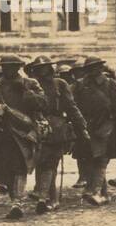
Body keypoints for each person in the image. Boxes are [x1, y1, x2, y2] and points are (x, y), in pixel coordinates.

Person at [0, 55, 47, 220]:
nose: (8, 69)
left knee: (20, 167)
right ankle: (15, 201)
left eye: (12, 66)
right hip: (2, 134)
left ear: (19, 67)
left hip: (24, 133)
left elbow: (43, 103)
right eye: (5, 66)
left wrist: (26, 92)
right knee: (8, 169)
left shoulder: (30, 83)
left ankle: (17, 203)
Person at [25, 56, 87, 213]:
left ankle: (48, 197)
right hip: (36, 126)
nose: (42, 71)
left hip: (57, 127)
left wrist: (81, 126)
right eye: (39, 68)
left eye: (44, 67)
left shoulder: (60, 84)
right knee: (41, 162)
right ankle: (46, 196)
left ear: (50, 68)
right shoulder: (31, 84)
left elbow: (71, 107)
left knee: (51, 162)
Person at [72, 57, 116, 206]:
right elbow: (73, 104)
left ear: (101, 68)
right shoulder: (80, 85)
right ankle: (104, 194)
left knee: (101, 159)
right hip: (87, 127)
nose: (94, 70)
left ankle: (95, 191)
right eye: (90, 68)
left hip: (106, 126)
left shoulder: (110, 84)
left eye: (97, 67)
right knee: (91, 159)